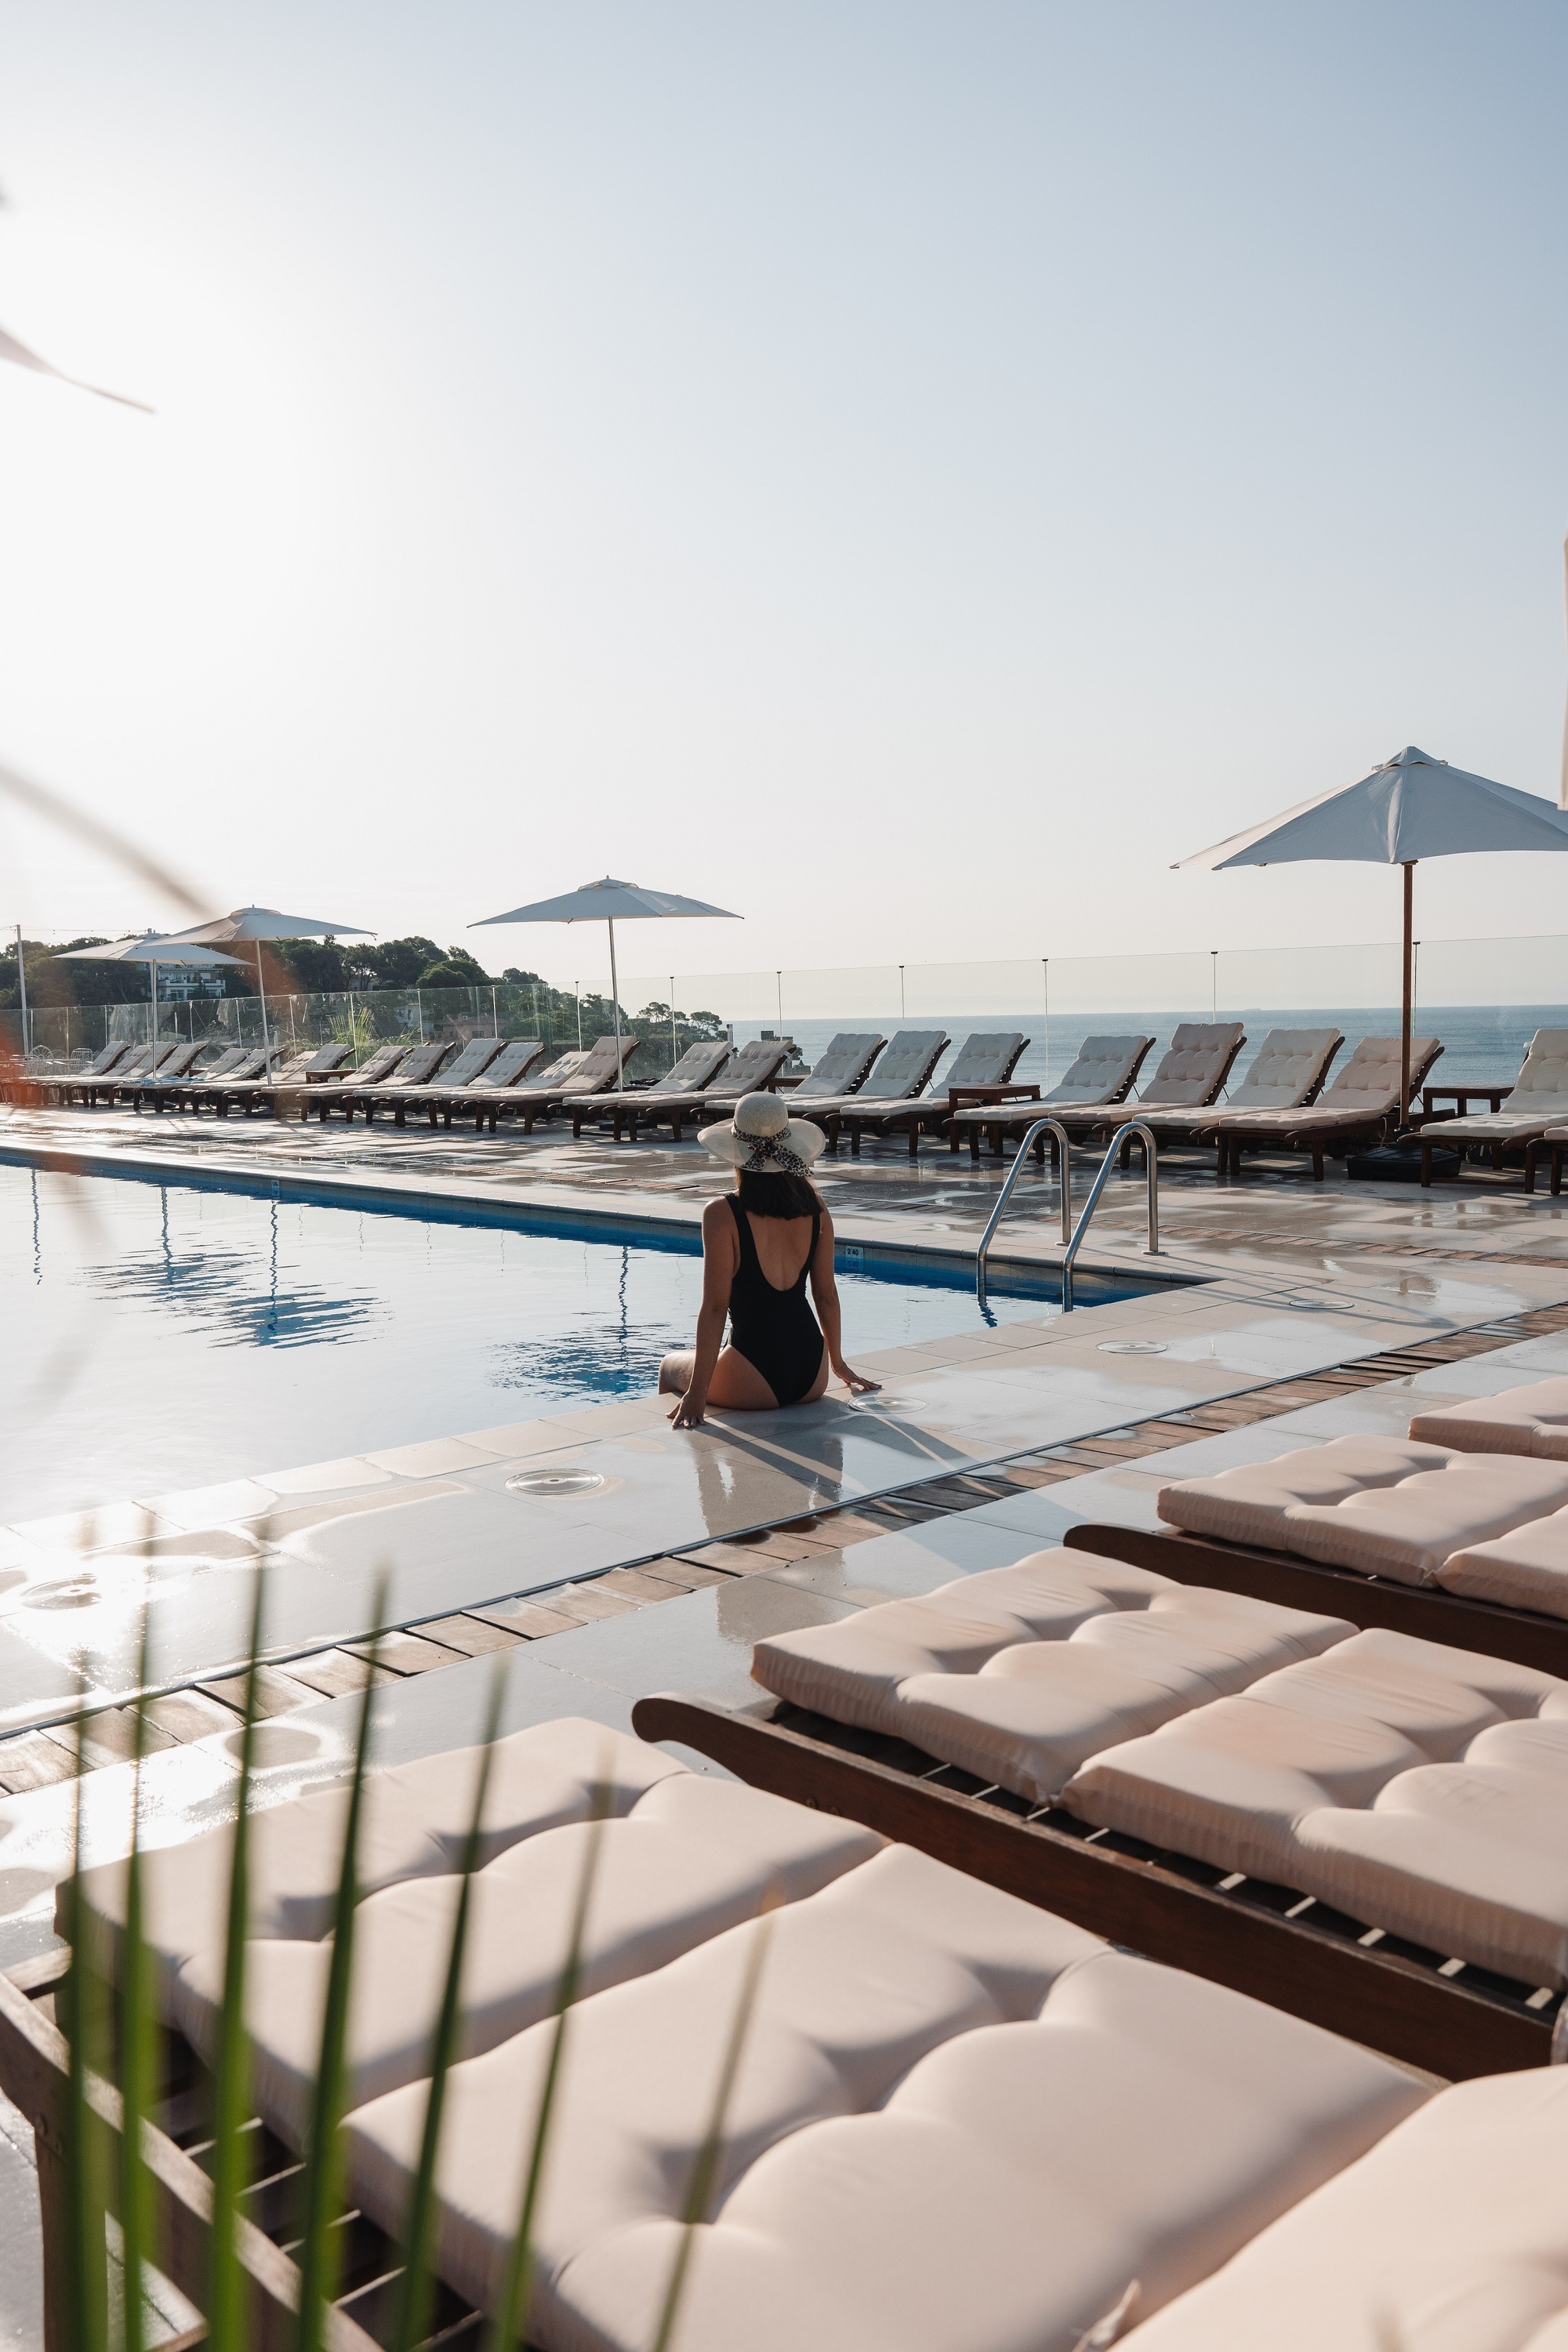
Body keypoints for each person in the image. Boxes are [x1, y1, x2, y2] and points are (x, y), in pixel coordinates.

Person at [660, 1091, 880, 1428]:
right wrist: (836, 1363)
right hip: (811, 1375)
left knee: (669, 1365)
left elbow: (716, 1307)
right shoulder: (816, 1208)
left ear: (736, 1153)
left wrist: (697, 1392)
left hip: (753, 1376)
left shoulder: (721, 1213)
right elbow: (826, 1295)